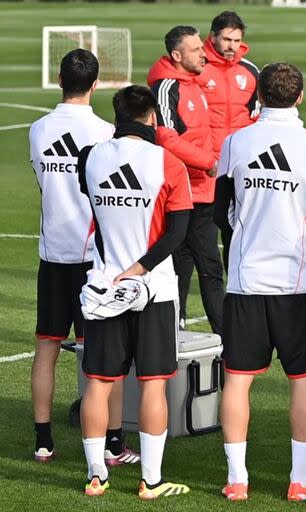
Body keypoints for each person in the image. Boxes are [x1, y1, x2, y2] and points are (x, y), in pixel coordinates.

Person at [213, 63, 306, 503]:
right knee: (302, 380)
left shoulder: (235, 142)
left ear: (258, 95)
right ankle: (299, 480)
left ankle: (237, 480)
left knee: (238, 379)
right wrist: (300, 249)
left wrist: (249, 241)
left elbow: (220, 211)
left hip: (246, 281)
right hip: (297, 284)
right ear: (299, 97)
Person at [77, 85, 193, 499]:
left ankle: (96, 476)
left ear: (117, 116)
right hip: (154, 290)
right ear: (152, 119)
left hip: (104, 286)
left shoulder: (89, 158)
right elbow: (178, 232)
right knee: (153, 384)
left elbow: (92, 203)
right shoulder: (169, 163)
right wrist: (139, 268)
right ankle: (152, 480)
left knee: (98, 383)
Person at [28, 48, 138, 467]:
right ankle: (111, 445)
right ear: (96, 85)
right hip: (95, 258)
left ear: (59, 79)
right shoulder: (107, 132)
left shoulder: (38, 129)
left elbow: (43, 182)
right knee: (103, 356)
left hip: (52, 254)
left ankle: (43, 440)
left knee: (46, 348)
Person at [148, 25, 224, 334]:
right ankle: (177, 329)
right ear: (177, 55)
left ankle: (221, 335)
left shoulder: (194, 85)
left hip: (203, 191)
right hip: (179, 192)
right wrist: (209, 162)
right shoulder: (166, 88)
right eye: (196, 50)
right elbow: (166, 139)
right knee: (186, 266)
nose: (204, 53)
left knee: (207, 267)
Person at [197, 10, 259, 269]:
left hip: (239, 165)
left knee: (237, 233)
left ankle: (234, 285)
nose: (232, 46)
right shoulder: (198, 67)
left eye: (236, 40)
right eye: (226, 40)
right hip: (205, 166)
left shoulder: (250, 70)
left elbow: (256, 118)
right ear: (212, 37)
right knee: (202, 238)